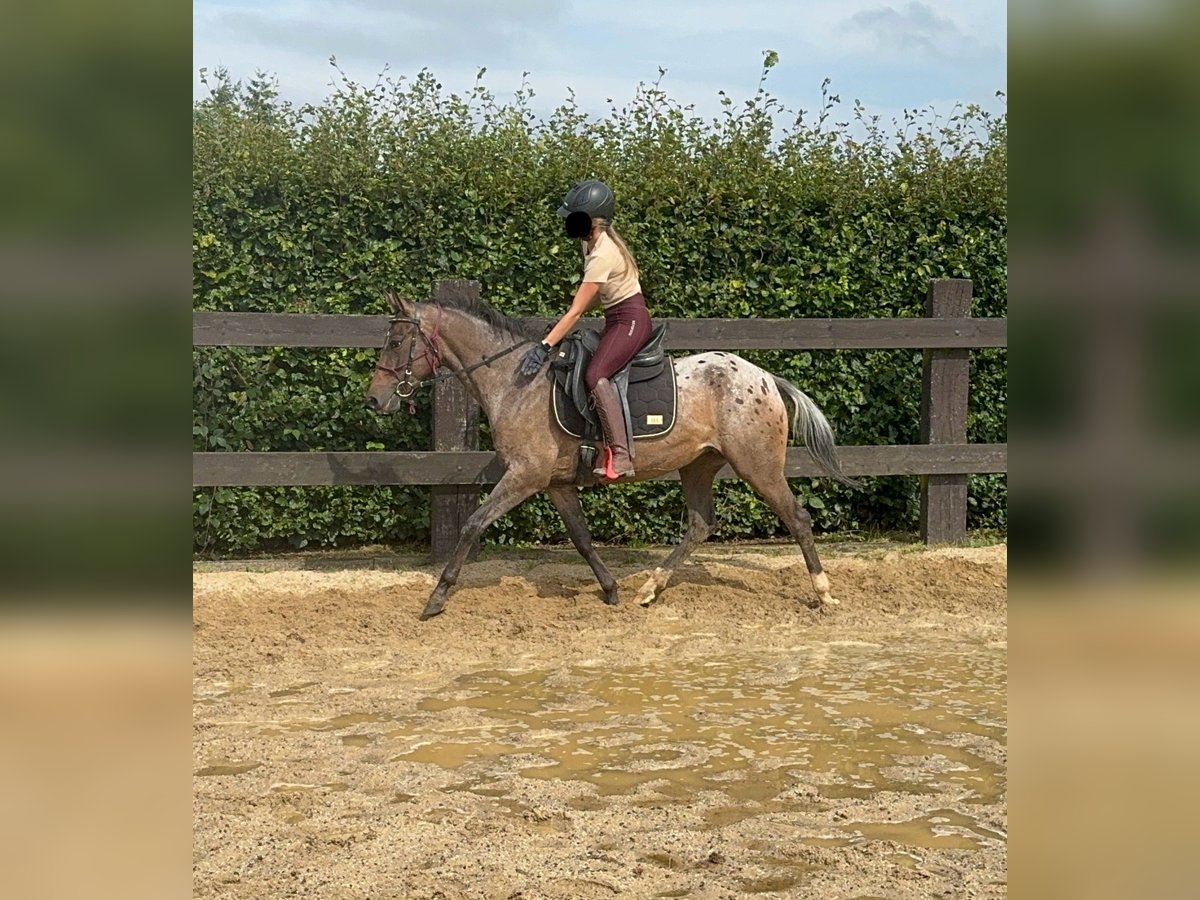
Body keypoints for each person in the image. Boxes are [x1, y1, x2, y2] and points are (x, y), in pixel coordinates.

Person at [519, 179, 652, 479]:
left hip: (631, 321)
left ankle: (621, 455)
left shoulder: (603, 253)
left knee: (595, 374)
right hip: (615, 317)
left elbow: (578, 310)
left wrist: (544, 346)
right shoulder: (589, 244)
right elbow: (592, 300)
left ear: (592, 220)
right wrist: (559, 331)